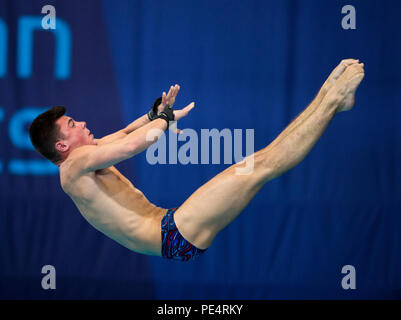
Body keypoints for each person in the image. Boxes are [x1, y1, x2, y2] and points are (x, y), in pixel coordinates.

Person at [29, 59, 364, 262]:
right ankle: (331, 99)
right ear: (61, 146)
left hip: (174, 231)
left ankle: (331, 100)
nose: (83, 123)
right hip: (172, 232)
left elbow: (127, 132)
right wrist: (165, 119)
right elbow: (130, 147)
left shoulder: (84, 161)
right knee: (259, 166)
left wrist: (156, 114)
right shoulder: (74, 166)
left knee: (259, 167)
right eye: (73, 125)